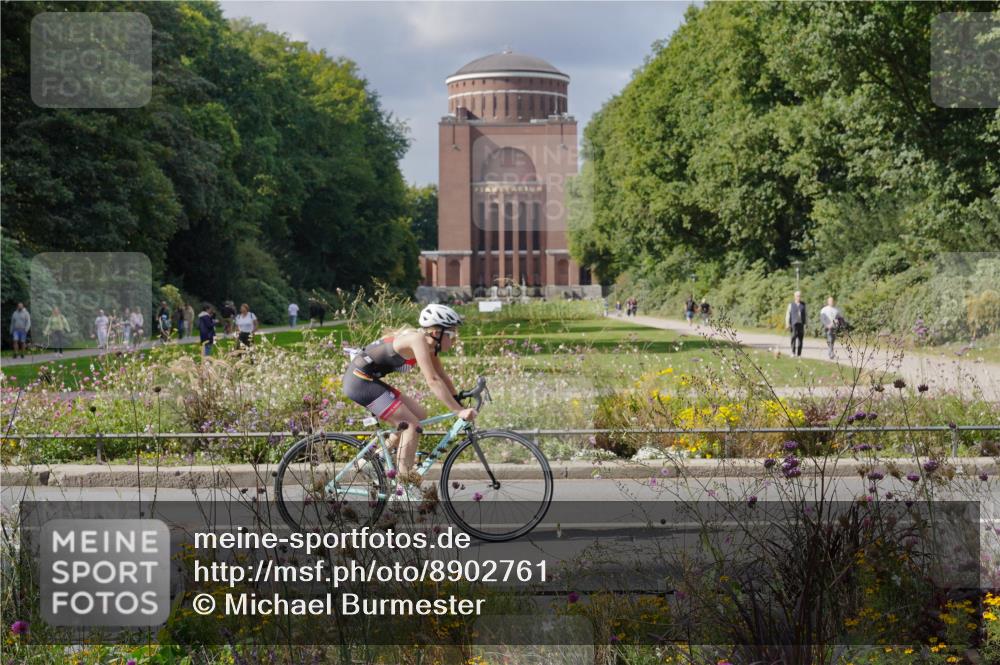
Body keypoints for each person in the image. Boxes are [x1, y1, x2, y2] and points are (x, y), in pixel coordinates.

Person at [342, 304, 476, 500]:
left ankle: (371, 461)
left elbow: (442, 376)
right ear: (437, 332)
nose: (455, 339)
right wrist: (457, 411)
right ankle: (404, 485)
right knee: (410, 426)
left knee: (420, 414)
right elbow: (432, 380)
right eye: (452, 333)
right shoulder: (418, 340)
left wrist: (458, 401)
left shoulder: (431, 346)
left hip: (368, 379)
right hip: (359, 381)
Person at [785, 291, 807, 358]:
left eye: (799, 296)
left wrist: (807, 323)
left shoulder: (803, 304)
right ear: (795, 297)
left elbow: (806, 314)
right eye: (797, 296)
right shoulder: (791, 304)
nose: (798, 297)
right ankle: (793, 352)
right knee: (793, 337)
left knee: (800, 339)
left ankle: (799, 354)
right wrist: (787, 323)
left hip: (801, 324)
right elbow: (788, 315)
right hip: (793, 324)